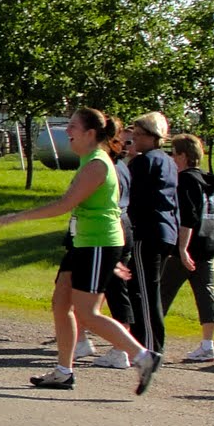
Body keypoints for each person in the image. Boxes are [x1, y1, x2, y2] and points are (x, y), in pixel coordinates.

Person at [0, 108, 162, 394]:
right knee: (61, 302)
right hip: (84, 242)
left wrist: (19, 216)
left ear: (90, 133)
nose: (67, 130)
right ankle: (63, 371)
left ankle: (143, 357)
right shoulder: (88, 160)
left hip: (99, 243)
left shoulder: (97, 164)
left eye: (72, 126)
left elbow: (65, 204)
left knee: (87, 313)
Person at [162, 133, 214, 362]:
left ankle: (146, 341)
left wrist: (181, 248)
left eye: (173, 153)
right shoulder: (207, 180)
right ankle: (207, 344)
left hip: (189, 246)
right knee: (206, 292)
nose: (171, 157)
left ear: (182, 156)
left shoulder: (186, 180)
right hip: (209, 242)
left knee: (160, 291)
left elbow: (188, 218)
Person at [126, 111, 179, 356]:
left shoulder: (143, 162)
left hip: (147, 231)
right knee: (147, 287)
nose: (134, 139)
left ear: (152, 136)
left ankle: (150, 346)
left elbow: (132, 198)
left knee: (144, 291)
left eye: (138, 135)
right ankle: (144, 341)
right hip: (166, 230)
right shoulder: (168, 161)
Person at [87, 119, 138, 370]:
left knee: (115, 291)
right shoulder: (121, 166)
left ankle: (123, 349)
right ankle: (85, 338)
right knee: (105, 289)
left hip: (112, 229)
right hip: (121, 226)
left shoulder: (108, 167)